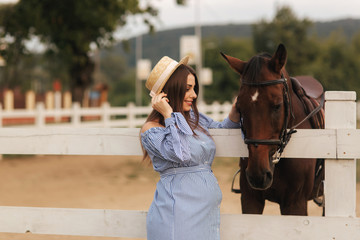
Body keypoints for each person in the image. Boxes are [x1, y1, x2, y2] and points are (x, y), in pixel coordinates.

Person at [140, 55, 241, 240]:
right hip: (177, 217)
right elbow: (181, 154)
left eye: (194, 89)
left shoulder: (196, 118)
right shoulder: (152, 129)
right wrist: (169, 115)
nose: (194, 95)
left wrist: (238, 107)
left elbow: (222, 130)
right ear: (169, 91)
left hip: (206, 217)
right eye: (188, 89)